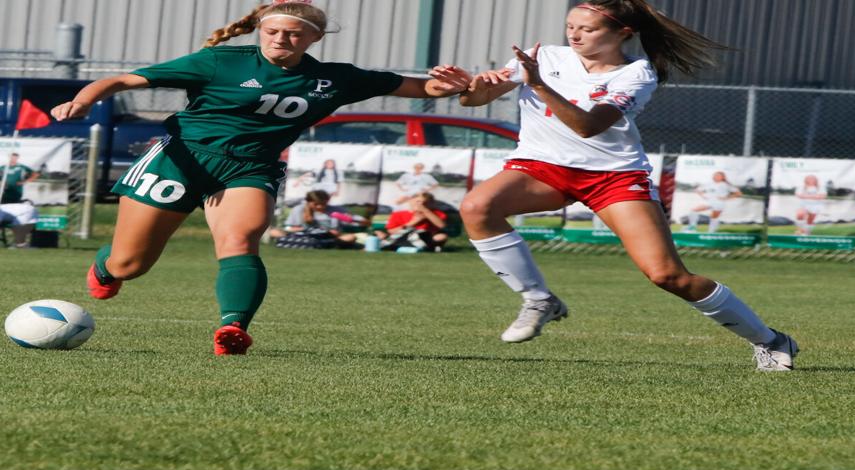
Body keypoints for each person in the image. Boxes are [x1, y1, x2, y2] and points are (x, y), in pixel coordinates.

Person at [50, 0, 472, 355]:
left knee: (240, 239)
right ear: (260, 29)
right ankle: (107, 265)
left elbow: (420, 89)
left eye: (293, 34)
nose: (280, 39)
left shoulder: (336, 79)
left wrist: (455, 85)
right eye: (272, 31)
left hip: (251, 167)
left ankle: (233, 328)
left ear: (313, 39)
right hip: (181, 159)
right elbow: (123, 79)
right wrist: (83, 101)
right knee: (131, 263)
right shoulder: (219, 62)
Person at [458, 0, 798, 370]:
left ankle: (770, 340)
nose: (574, 34)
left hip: (612, 177)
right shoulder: (546, 57)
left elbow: (587, 126)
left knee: (668, 276)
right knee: (478, 207)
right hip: (542, 167)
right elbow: (473, 100)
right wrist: (472, 86)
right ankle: (539, 299)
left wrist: (536, 83)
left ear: (623, 33)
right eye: (571, 25)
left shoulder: (636, 73)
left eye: (587, 29)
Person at [269, 189, 365, 247]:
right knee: (273, 232)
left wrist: (352, 219)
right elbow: (288, 228)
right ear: (308, 201)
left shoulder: (336, 210)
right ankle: (317, 244)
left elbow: (361, 221)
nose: (320, 207)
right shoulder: (299, 209)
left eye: (323, 204)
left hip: (328, 238)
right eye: (316, 204)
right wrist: (309, 230)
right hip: (304, 236)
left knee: (350, 237)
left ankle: (318, 244)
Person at [377, 192, 449, 252]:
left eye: (425, 202)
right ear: (411, 201)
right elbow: (391, 231)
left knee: (441, 237)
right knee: (381, 235)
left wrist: (426, 211)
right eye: (418, 201)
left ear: (431, 204)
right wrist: (413, 222)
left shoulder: (436, 213)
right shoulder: (398, 214)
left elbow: (442, 226)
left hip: (427, 238)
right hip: (403, 237)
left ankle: (428, 248)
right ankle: (405, 247)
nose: (421, 204)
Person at [0, 153, 40, 249]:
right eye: (12, 157)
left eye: (15, 157)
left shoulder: (21, 167)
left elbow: (35, 174)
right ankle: (20, 243)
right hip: (4, 198)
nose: (13, 159)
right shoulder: (3, 168)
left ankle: (20, 242)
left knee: (16, 218)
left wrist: (25, 182)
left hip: (16, 198)